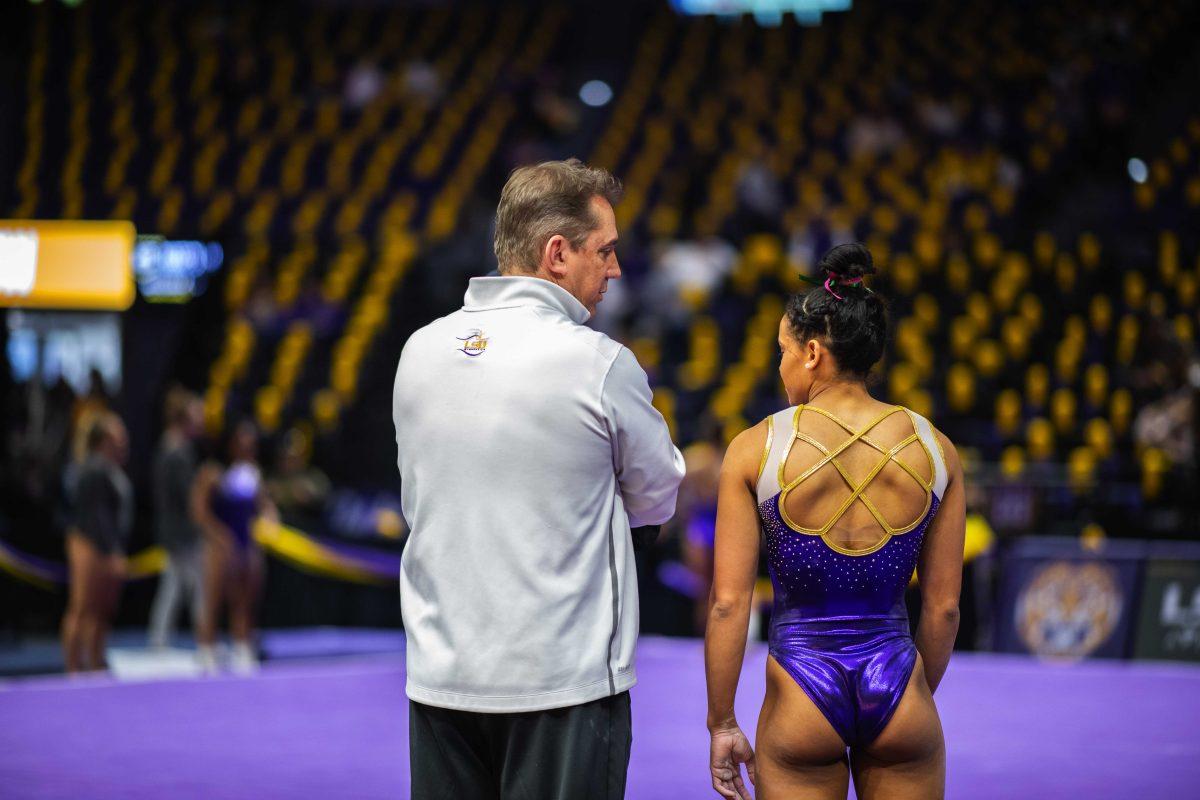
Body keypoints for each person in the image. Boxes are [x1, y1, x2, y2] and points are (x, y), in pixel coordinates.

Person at [393, 158, 685, 799]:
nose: (615, 269)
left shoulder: (417, 352)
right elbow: (658, 492)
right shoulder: (598, 363)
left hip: (442, 681)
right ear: (558, 253)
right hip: (564, 685)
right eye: (605, 251)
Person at [704, 243, 965, 800]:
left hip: (802, 688)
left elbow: (729, 603)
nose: (779, 366)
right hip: (898, 680)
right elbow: (943, 608)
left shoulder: (755, 450)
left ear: (813, 353)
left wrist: (722, 723)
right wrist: (913, 696)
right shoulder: (936, 450)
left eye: (782, 351)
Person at [192, 420, 274, 673]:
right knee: (213, 600)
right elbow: (198, 511)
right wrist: (219, 535)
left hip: (246, 544)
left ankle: (242, 647)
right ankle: (207, 650)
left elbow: (264, 504)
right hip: (220, 546)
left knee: (244, 600)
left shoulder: (251, 473)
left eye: (252, 444)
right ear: (230, 444)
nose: (248, 448)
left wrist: (270, 518)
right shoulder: (212, 472)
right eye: (243, 442)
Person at [60, 412, 132, 673]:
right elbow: (96, 516)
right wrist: (109, 551)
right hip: (89, 543)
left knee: (101, 611)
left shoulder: (110, 469)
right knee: (81, 608)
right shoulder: (92, 468)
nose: (124, 438)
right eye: (118, 433)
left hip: (105, 544)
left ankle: (95, 661)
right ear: (104, 439)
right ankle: (73, 668)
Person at [147, 387, 205, 648]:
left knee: (174, 588)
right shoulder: (177, 452)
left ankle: (159, 641)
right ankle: (206, 640)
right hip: (182, 533)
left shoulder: (171, 446)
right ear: (184, 420)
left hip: (174, 530)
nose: (201, 422)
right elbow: (187, 497)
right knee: (200, 589)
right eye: (196, 417)